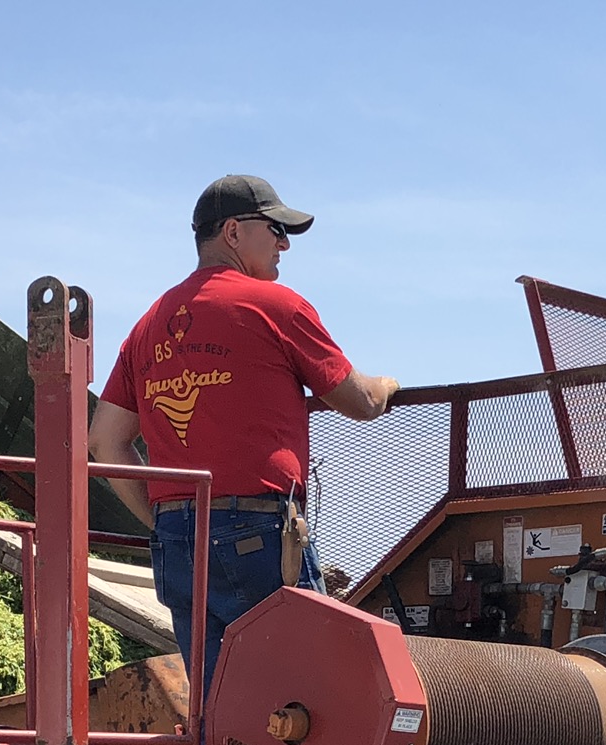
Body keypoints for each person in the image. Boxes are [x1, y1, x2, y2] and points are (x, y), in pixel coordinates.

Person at [89, 174, 398, 691]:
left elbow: (105, 443)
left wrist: (167, 519)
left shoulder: (148, 326)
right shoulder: (276, 307)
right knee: (303, 703)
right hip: (255, 533)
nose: (284, 244)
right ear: (233, 232)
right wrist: (387, 385)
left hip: (178, 540)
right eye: (276, 229)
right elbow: (359, 402)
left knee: (217, 711)